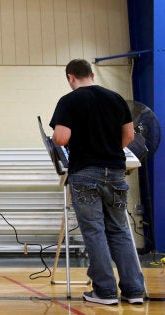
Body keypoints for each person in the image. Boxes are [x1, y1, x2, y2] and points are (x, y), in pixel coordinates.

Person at [50, 59, 145, 305]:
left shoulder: (69, 101)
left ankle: (105, 291)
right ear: (92, 74)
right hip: (114, 171)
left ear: (71, 77)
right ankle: (134, 290)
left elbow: (61, 138)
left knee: (94, 232)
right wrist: (108, 150)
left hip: (85, 172)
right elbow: (129, 136)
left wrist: (58, 137)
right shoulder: (116, 98)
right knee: (120, 229)